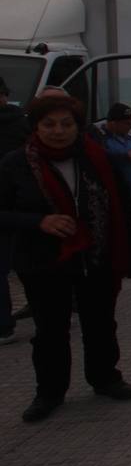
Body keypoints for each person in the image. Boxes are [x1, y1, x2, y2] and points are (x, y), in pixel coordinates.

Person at [0, 92, 131, 422]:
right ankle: (49, 391)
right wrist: (39, 221)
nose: (58, 131)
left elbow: (121, 202)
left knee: (101, 321)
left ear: (78, 127)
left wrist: (130, 246)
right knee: (50, 329)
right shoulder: (16, 164)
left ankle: (105, 377)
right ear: (36, 127)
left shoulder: (96, 158)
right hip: (43, 259)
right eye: (49, 124)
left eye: (66, 124)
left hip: (96, 253)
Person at [0, 76, 28, 344]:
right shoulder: (23, 121)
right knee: (23, 261)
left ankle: (3, 325)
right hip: (23, 205)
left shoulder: (19, 123)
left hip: (10, 205)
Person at [88, 102, 131, 201]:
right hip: (112, 192)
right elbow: (102, 159)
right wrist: (126, 156)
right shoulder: (99, 138)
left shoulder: (129, 138)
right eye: (127, 123)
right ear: (113, 123)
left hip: (130, 191)